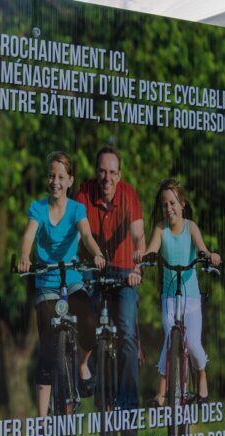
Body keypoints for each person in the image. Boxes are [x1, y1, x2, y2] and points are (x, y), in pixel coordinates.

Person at [18, 152, 105, 425]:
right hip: (47, 280)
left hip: (72, 276)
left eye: (61, 177)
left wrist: (98, 254)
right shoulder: (38, 208)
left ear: (70, 181)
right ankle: (43, 421)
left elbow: (87, 236)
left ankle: (81, 365)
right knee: (46, 347)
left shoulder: (78, 209)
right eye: (51, 176)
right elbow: (28, 235)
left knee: (90, 323)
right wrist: (25, 257)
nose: (55, 181)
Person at [75, 146, 145, 413]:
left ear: (120, 174)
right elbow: (82, 233)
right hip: (93, 267)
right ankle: (85, 369)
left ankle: (128, 408)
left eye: (113, 172)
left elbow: (138, 235)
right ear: (96, 172)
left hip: (125, 269)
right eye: (103, 172)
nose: (107, 178)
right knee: (87, 320)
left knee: (127, 332)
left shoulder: (129, 195)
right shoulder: (84, 193)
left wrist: (138, 267)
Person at [142, 179, 221, 406]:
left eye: (173, 203)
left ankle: (202, 375)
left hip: (191, 298)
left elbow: (202, 248)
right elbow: (153, 248)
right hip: (169, 297)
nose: (169, 208)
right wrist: (146, 255)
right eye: (165, 205)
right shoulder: (160, 228)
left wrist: (209, 255)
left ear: (182, 204)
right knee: (170, 338)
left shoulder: (191, 227)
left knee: (194, 344)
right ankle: (161, 393)